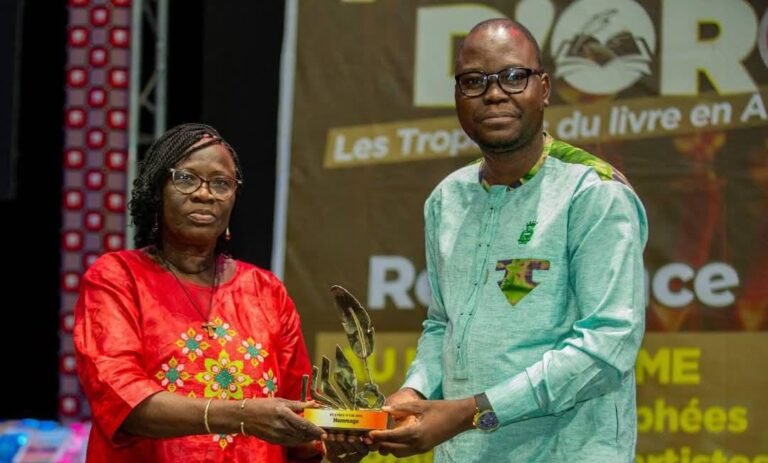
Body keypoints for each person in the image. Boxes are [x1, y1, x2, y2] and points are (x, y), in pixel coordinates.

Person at [369, 18, 648, 462]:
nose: (494, 94)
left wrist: (471, 411)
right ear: (458, 96)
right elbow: (444, 323)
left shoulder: (593, 193)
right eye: (474, 81)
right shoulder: (447, 199)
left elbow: (607, 345)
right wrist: (414, 388)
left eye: (514, 77)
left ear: (545, 88)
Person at [73, 123, 364, 462]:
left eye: (221, 183)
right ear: (158, 190)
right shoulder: (117, 278)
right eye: (186, 178)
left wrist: (337, 444)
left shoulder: (265, 291)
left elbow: (297, 423)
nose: (204, 193)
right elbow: (123, 400)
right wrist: (241, 416)